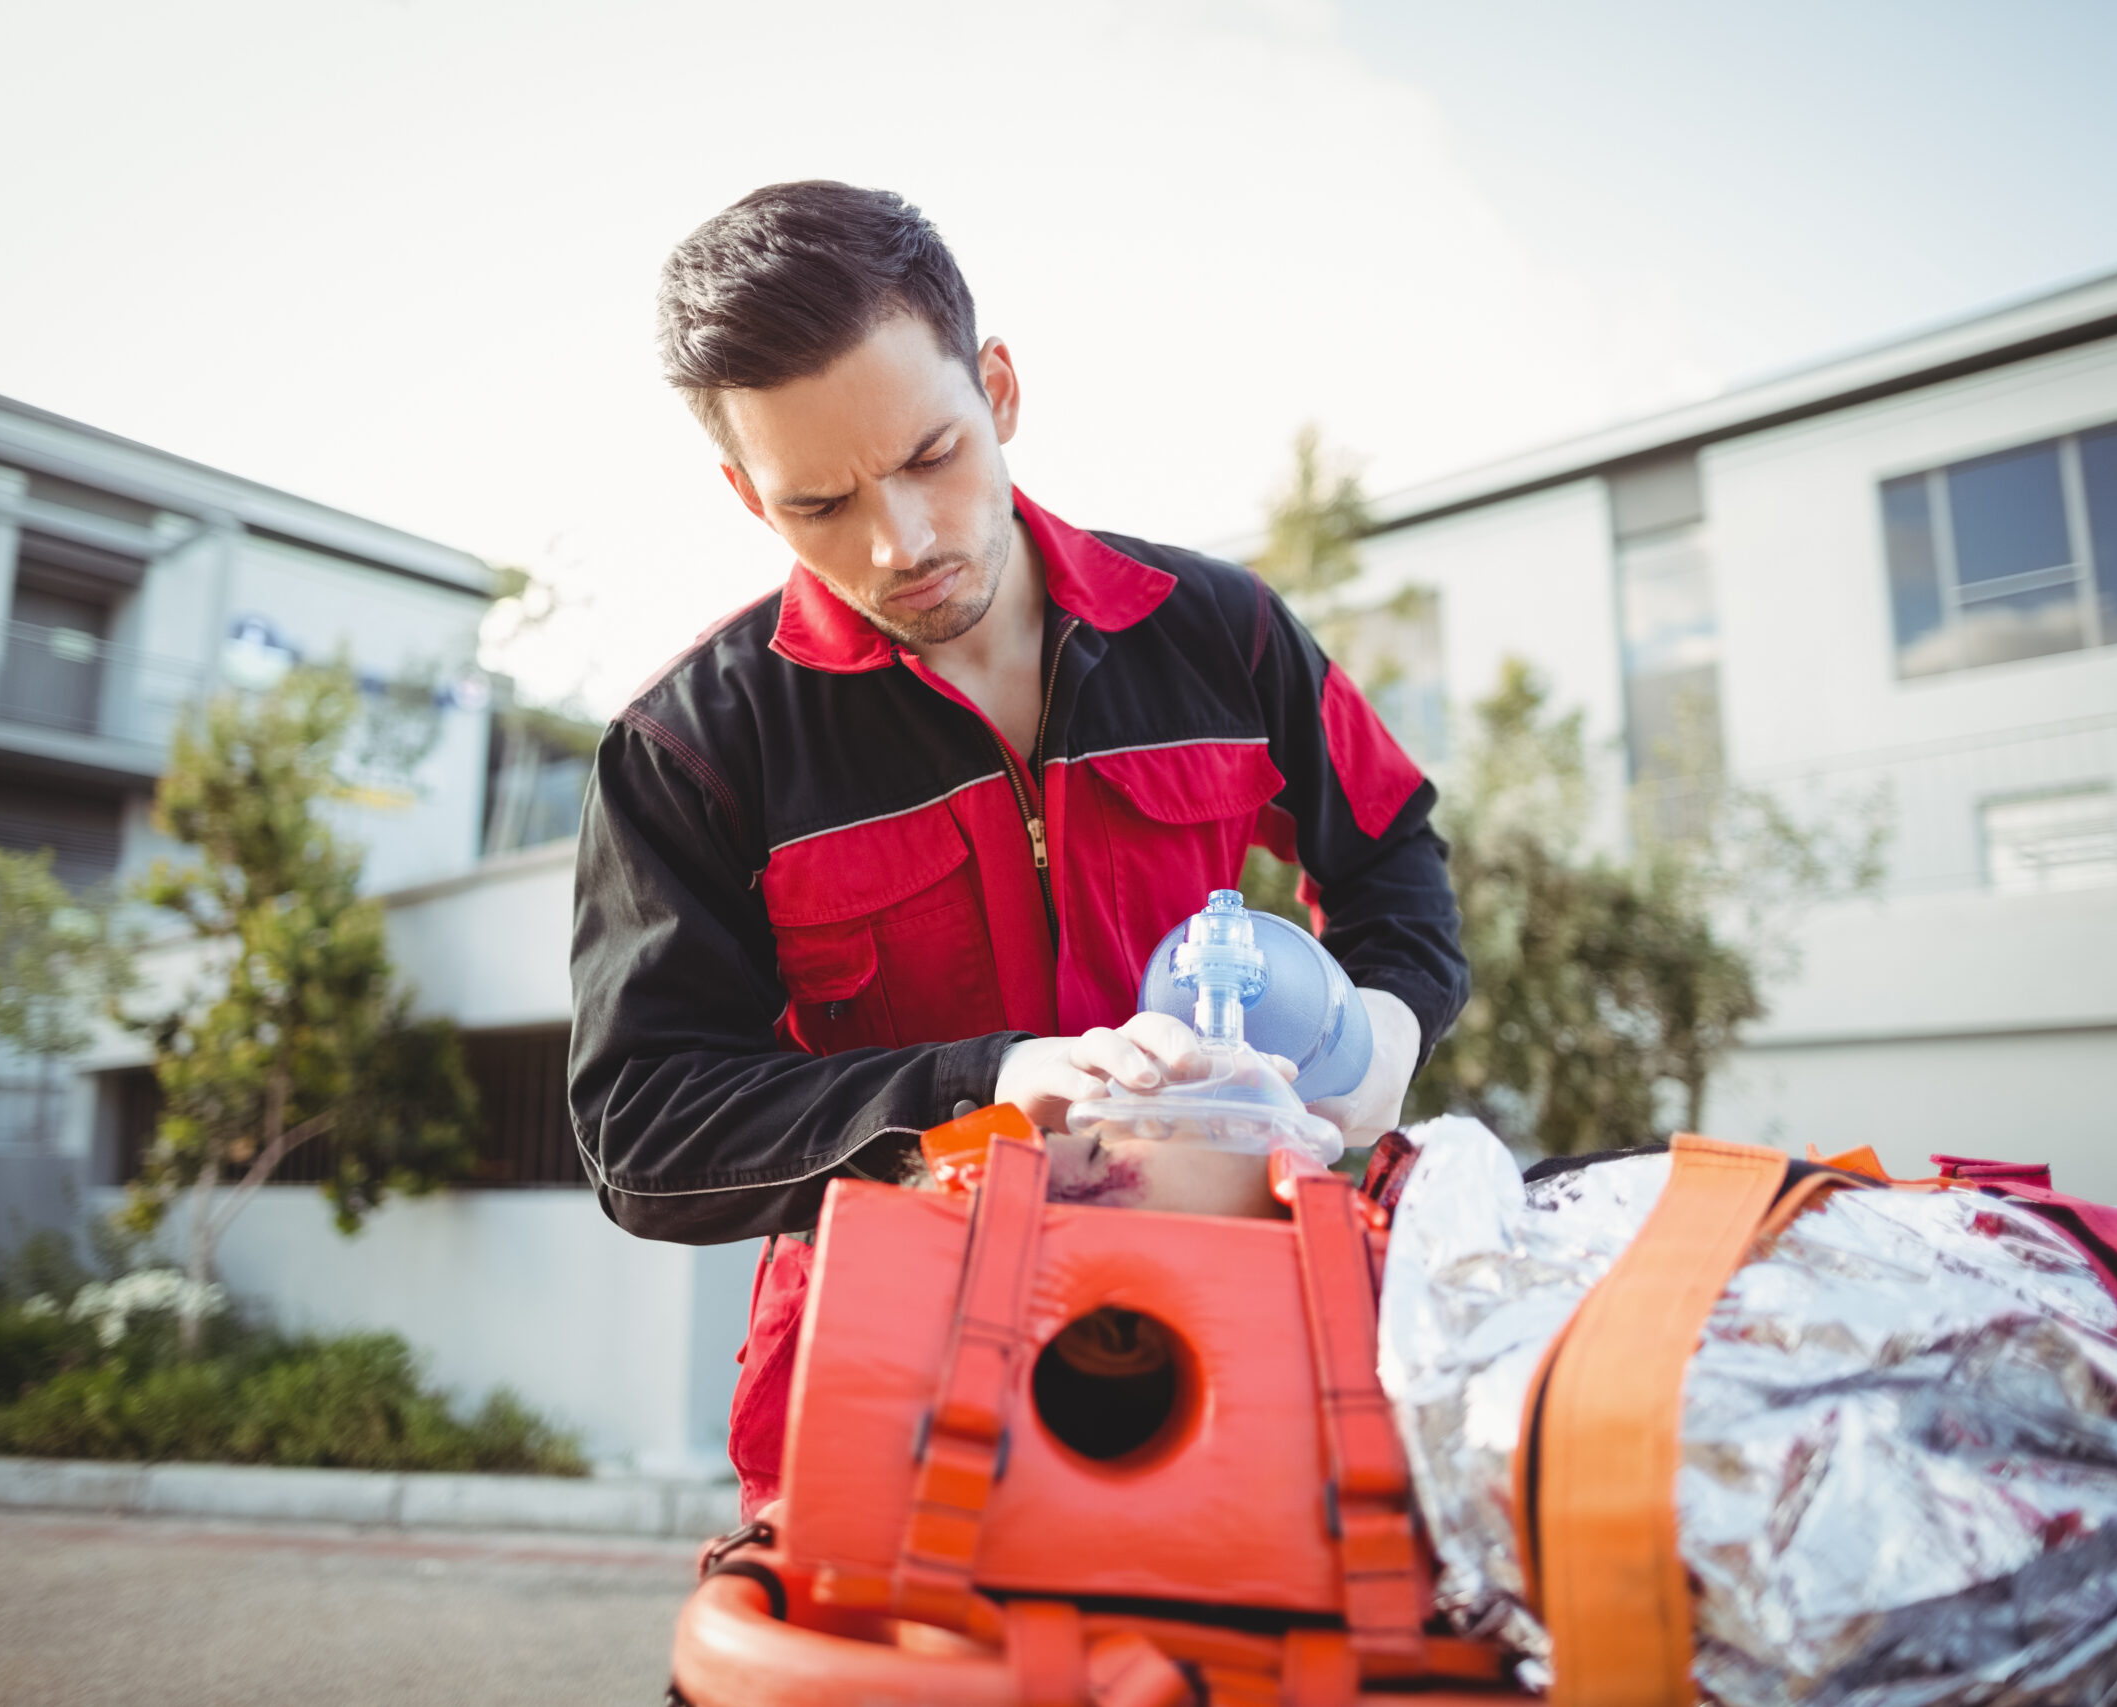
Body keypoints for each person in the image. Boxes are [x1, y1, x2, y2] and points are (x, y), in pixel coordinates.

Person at [568, 181, 1465, 1517]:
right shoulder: (692, 748)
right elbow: (645, 1130)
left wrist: (1384, 1024)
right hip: (886, 1387)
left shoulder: (1222, 634)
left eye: (932, 456)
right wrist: (982, 1091)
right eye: (819, 503)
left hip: (1230, 1338)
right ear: (747, 495)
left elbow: (1393, 856)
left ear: (998, 388)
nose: (903, 542)